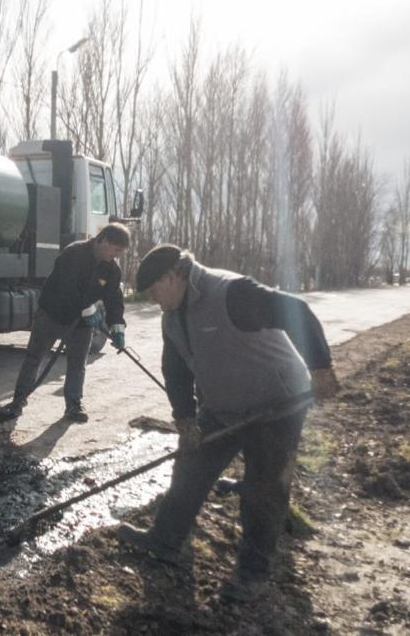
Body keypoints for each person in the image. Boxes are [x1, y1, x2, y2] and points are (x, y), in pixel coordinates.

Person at [116, 244, 339, 602]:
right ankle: (166, 541)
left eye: (154, 291)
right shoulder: (172, 316)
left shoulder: (231, 292)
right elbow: (175, 372)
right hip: (222, 408)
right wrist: (185, 420)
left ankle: (254, 574)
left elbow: (295, 310)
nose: (154, 300)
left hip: (276, 406)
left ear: (170, 278)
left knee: (263, 490)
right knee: (190, 469)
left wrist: (321, 369)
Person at [6, 223, 130, 423]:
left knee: (77, 364)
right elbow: (67, 287)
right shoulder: (74, 253)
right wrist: (88, 309)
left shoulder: (112, 270)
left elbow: (114, 300)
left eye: (120, 252)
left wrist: (117, 327)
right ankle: (17, 402)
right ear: (104, 241)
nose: (116, 256)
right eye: (116, 250)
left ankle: (73, 405)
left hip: (81, 324)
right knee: (34, 358)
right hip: (51, 315)